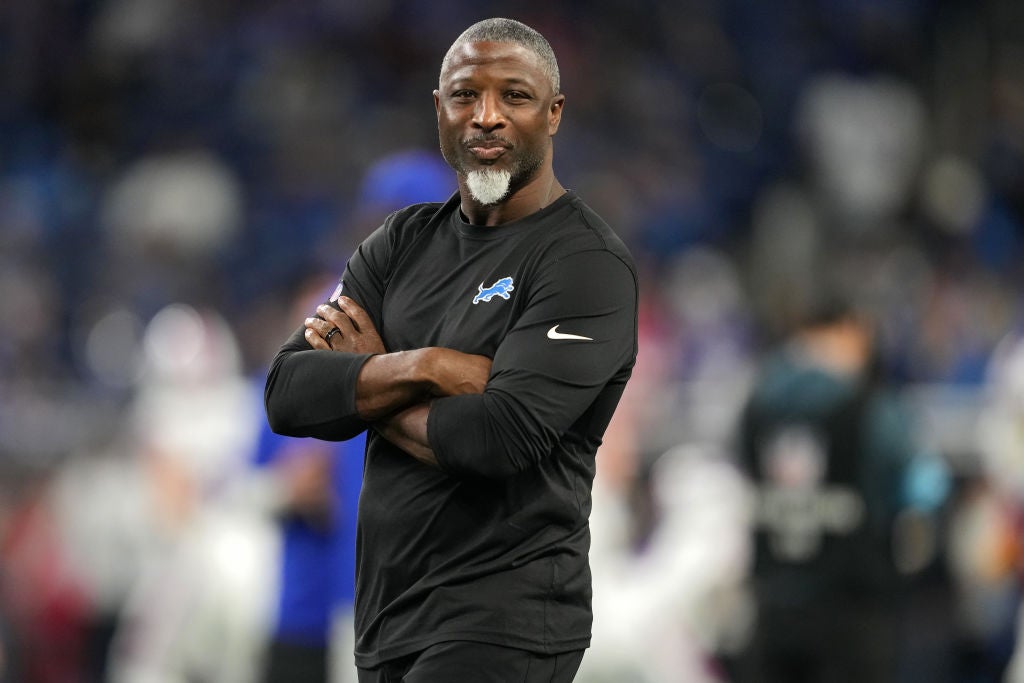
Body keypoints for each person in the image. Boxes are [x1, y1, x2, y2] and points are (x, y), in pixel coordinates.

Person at [264, 17, 638, 683]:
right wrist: (428, 366)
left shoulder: (583, 262)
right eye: (465, 95)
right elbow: (288, 391)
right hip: (385, 617)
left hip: (504, 619)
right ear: (440, 109)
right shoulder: (398, 242)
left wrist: (367, 381)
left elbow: (497, 436)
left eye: (514, 96)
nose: (486, 116)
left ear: (554, 114)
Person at [730, 295, 949, 683]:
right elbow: (924, 480)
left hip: (771, 609)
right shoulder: (873, 409)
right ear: (842, 332)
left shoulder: (754, 404)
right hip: (854, 612)